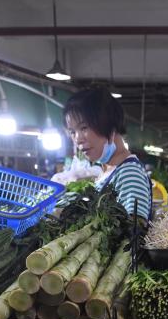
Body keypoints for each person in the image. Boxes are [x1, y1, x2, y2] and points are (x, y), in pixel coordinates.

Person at [63, 87, 152, 221]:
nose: (77, 138)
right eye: (72, 131)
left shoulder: (129, 174)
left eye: (84, 128)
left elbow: (133, 231)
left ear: (110, 127)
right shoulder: (107, 170)